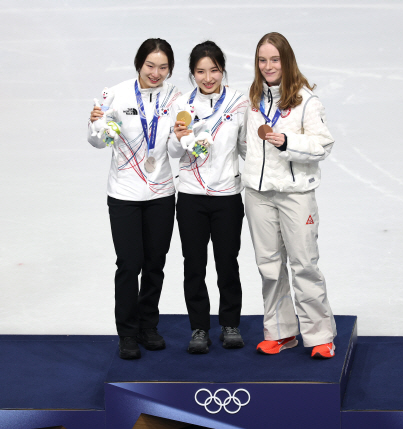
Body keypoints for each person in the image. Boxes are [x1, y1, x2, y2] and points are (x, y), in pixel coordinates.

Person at [242, 32, 337, 359]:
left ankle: (320, 335)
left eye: (275, 59)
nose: (268, 66)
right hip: (258, 194)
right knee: (269, 267)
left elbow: (323, 144)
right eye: (262, 60)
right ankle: (280, 332)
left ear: (287, 61)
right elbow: (245, 144)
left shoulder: (306, 101)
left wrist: (288, 142)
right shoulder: (253, 100)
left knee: (304, 265)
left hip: (295, 195)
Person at [87, 38, 181, 360]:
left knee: (155, 263)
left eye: (163, 67)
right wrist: (96, 125)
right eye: (150, 65)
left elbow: (175, 150)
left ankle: (147, 326)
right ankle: (127, 333)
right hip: (124, 194)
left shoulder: (175, 98)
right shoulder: (116, 95)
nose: (156, 73)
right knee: (129, 264)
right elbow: (98, 142)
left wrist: (183, 138)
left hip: (161, 192)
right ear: (139, 64)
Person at [169, 41, 248, 354]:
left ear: (222, 69)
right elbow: (173, 151)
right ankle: (199, 328)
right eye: (200, 71)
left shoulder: (238, 103)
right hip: (191, 196)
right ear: (192, 73)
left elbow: (245, 147)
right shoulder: (182, 105)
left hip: (227, 196)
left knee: (227, 263)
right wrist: (178, 138)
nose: (208, 77)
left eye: (213, 70)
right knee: (194, 265)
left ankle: (230, 324)